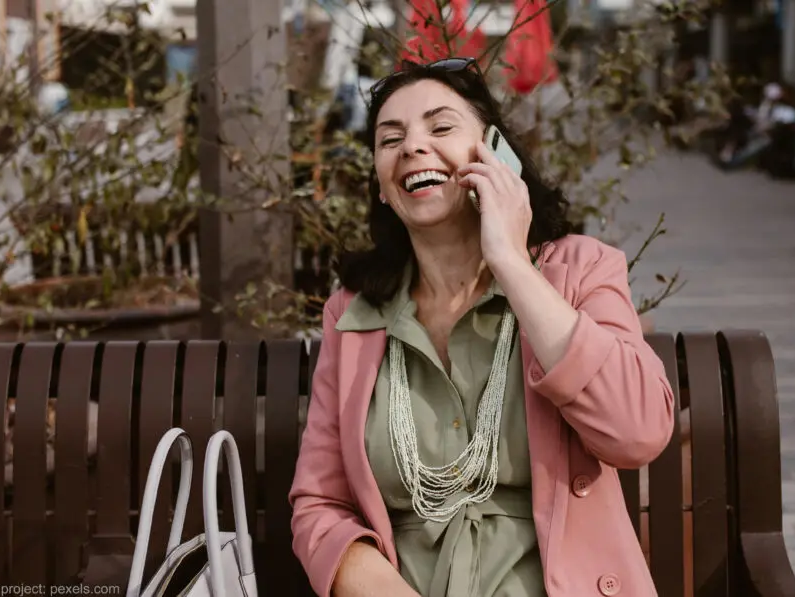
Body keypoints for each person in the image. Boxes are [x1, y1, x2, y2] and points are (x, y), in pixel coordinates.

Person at [288, 57, 675, 597]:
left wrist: (513, 264)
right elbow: (320, 507)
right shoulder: (353, 315)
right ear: (380, 184)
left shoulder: (579, 272)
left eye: (441, 127)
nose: (413, 147)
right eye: (389, 139)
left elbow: (638, 431)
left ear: (496, 154)